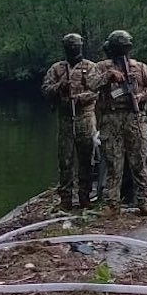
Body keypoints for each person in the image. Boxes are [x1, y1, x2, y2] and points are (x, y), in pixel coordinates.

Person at [86, 30, 147, 216]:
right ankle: (112, 204)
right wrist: (109, 76)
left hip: (135, 118)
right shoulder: (102, 67)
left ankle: (144, 201)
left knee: (139, 163)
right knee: (113, 163)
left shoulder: (140, 67)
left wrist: (142, 95)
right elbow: (91, 83)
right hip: (111, 119)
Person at [41, 33, 98, 211]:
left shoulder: (90, 67)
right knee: (65, 160)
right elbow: (45, 90)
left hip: (85, 117)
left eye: (76, 46)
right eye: (70, 46)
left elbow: (97, 90)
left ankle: (84, 196)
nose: (73, 49)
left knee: (86, 159)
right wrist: (60, 86)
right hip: (65, 119)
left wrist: (79, 98)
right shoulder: (57, 68)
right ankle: (65, 198)